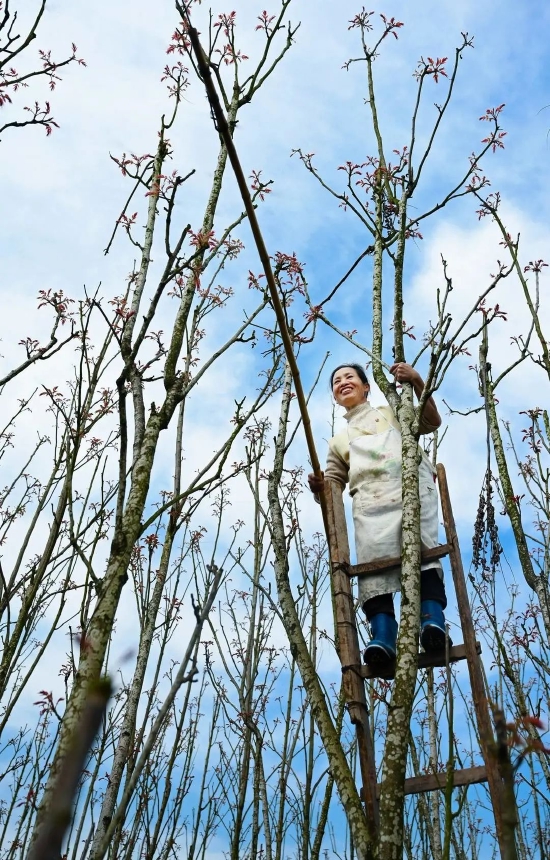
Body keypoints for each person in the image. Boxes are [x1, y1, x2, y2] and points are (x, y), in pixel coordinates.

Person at [308, 362, 449, 675]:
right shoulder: (338, 442)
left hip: (410, 491)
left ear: (366, 386)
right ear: (334, 395)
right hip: (370, 506)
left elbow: (430, 421)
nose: (343, 382)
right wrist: (319, 489)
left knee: (422, 555)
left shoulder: (391, 411)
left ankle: (432, 622)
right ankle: (383, 636)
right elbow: (331, 489)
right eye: (336, 381)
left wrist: (416, 381)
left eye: (350, 377)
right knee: (372, 568)